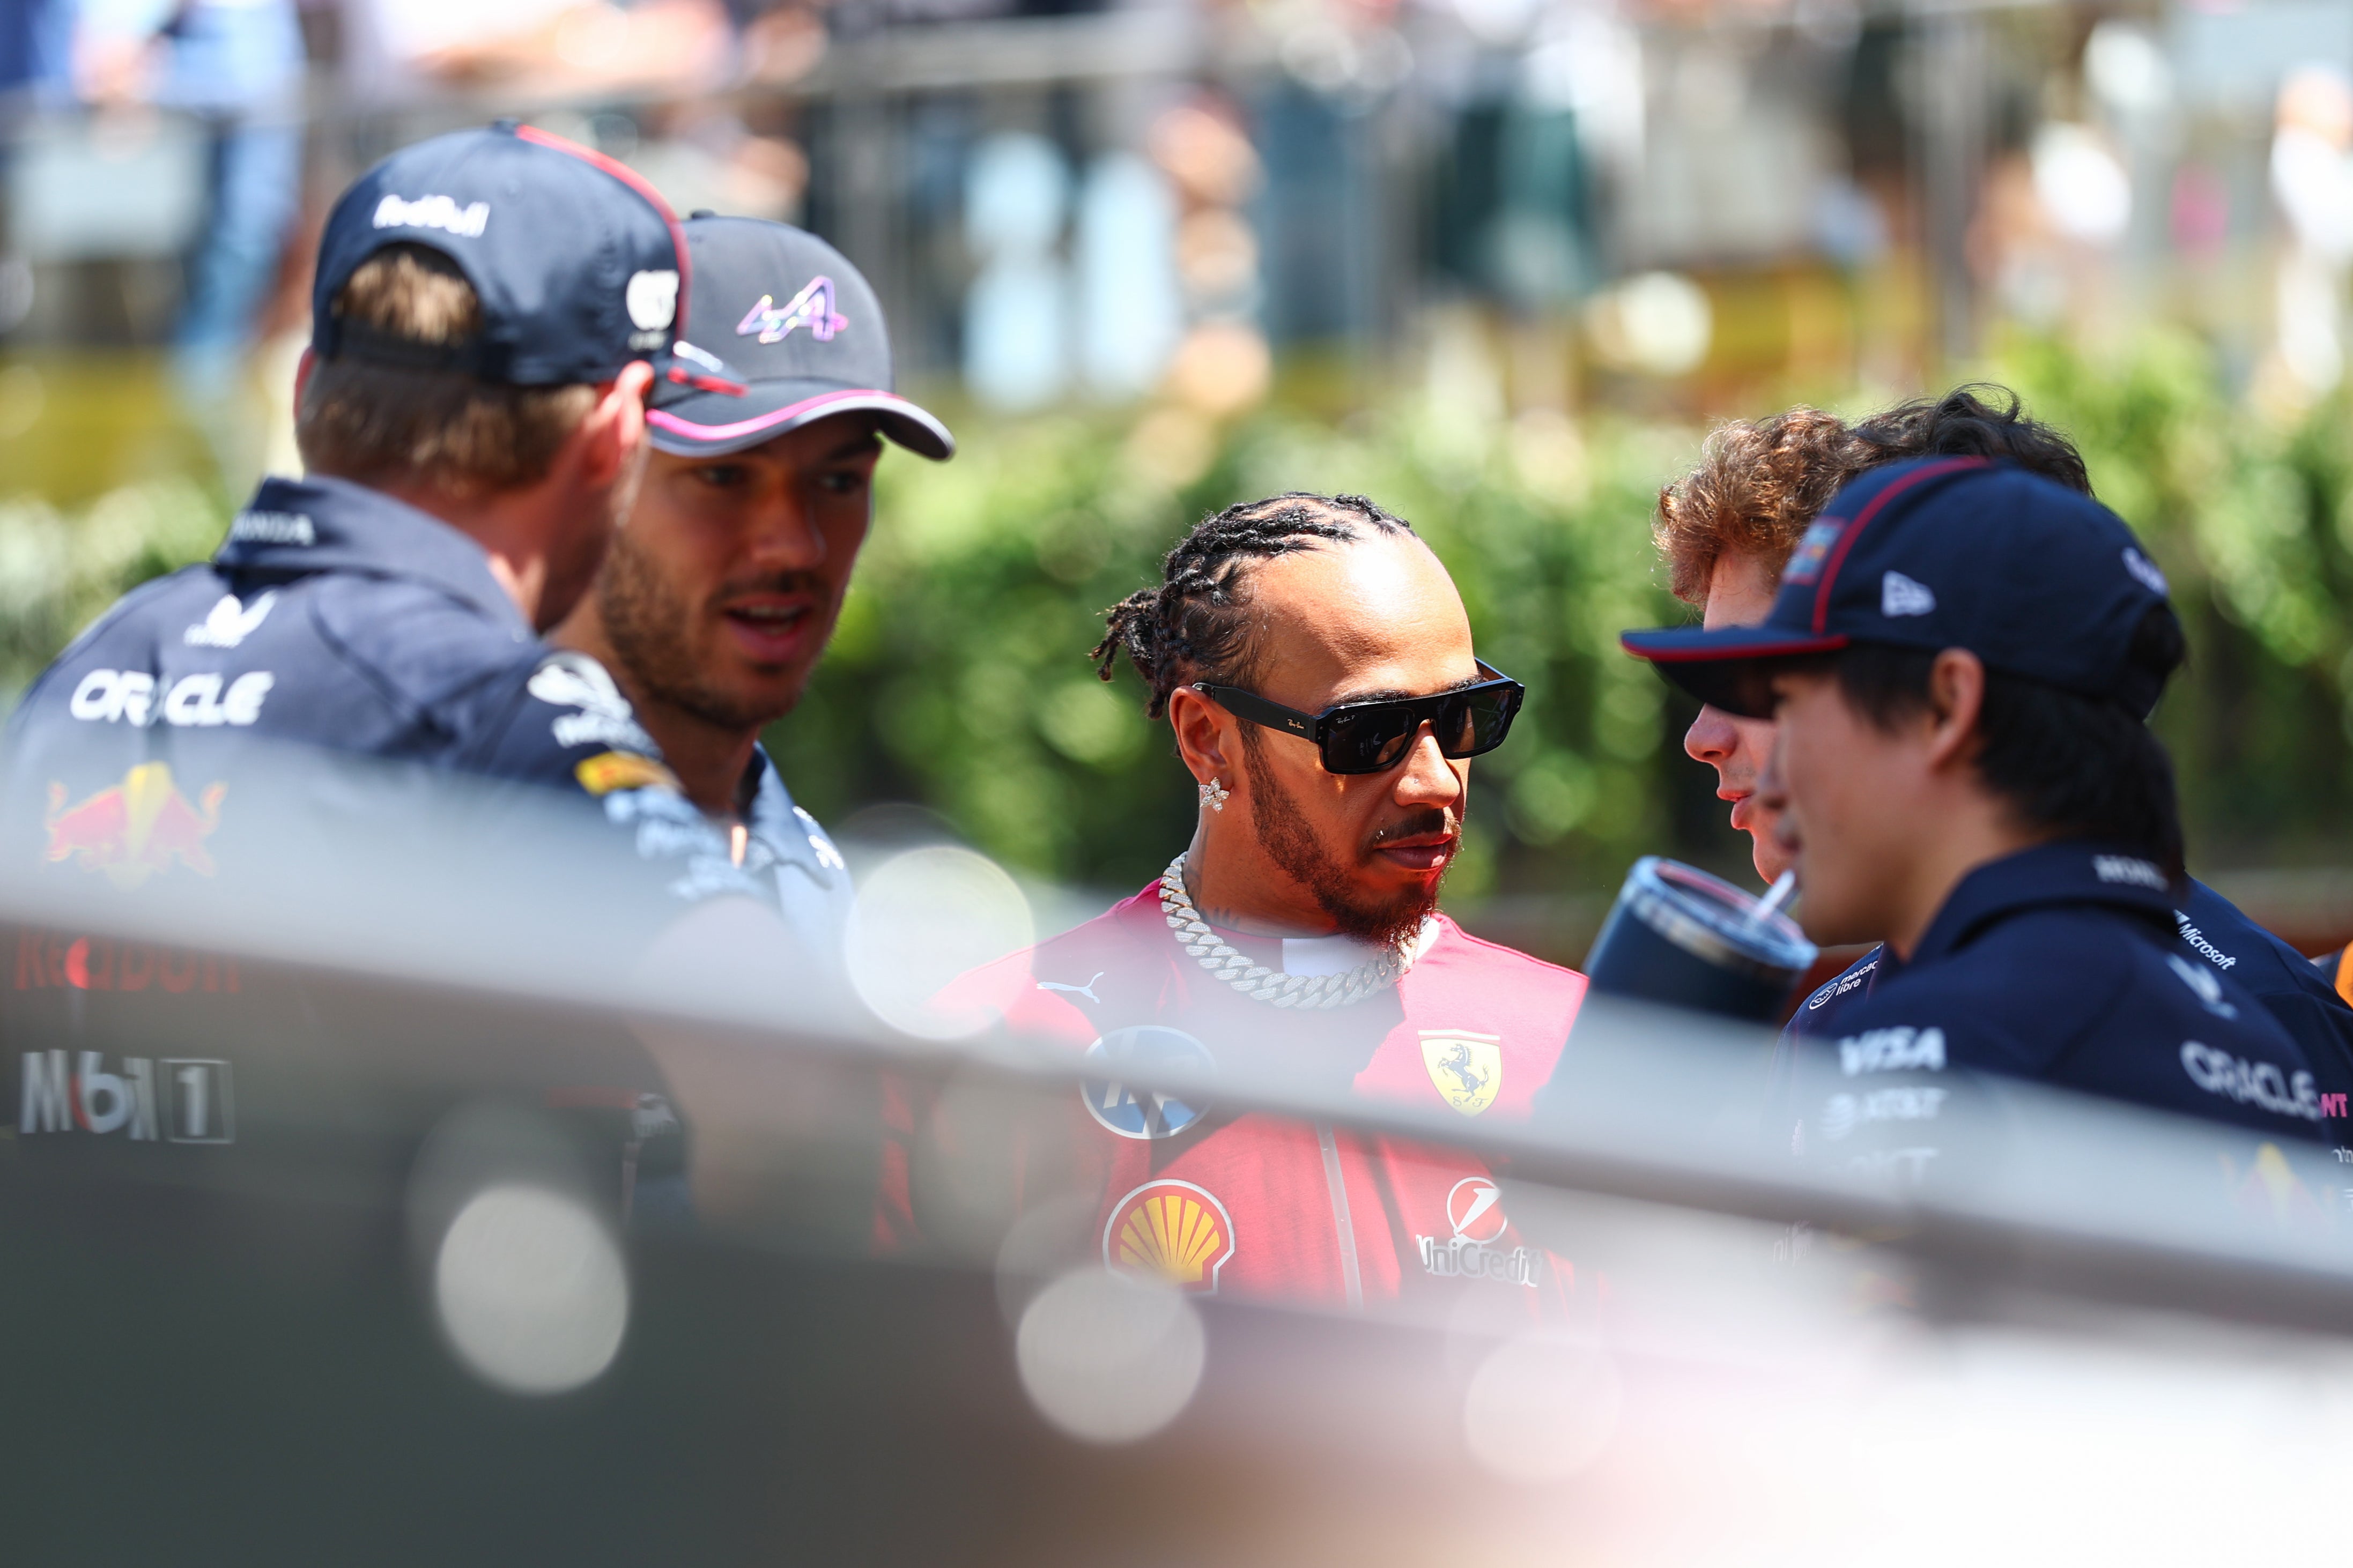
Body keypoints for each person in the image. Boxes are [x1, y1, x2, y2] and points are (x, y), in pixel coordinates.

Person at [2, 123, 754, 1208]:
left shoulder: (88, 671)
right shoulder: (503, 712)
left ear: (309, 387)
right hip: (384, 1320)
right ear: (616, 431)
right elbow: (788, 1089)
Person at [877, 493, 1589, 1311]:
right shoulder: (994, 1051)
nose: (1435, 780)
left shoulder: (1580, 1042)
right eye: (1369, 734)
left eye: (1464, 716)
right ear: (1207, 738)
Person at [1654, 387, 2353, 1111]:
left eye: (1768, 677)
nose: (1702, 738)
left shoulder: (1908, 1043)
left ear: (1947, 699)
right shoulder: (1831, 1031)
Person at [556, 212, 954, 960]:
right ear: (593, 463)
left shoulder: (817, 879)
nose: (796, 544)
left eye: (839, 481)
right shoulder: (445, 814)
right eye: (725, 477)